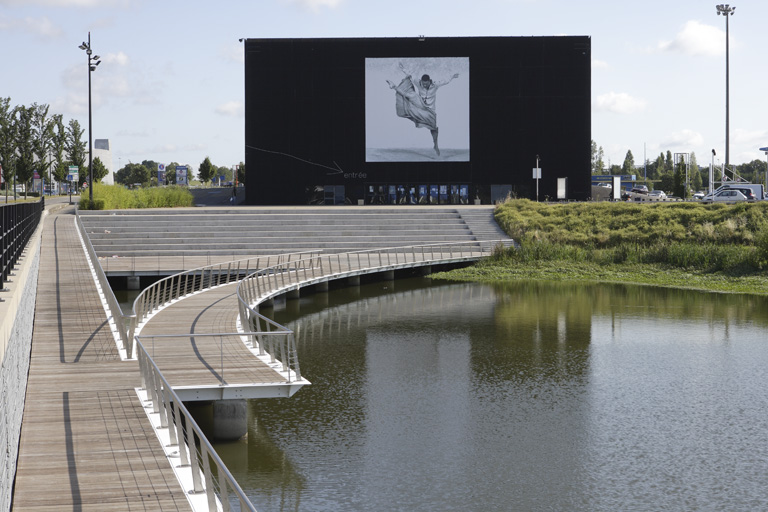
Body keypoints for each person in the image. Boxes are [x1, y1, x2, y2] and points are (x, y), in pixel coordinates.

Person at [386, 62, 459, 156]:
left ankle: (435, 145)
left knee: (433, 128)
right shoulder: (418, 82)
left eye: (426, 84)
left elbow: (446, 81)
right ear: (421, 81)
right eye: (423, 84)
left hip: (430, 110)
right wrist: (403, 68)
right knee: (411, 96)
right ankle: (394, 86)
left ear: (430, 81)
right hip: (420, 104)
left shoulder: (436, 84)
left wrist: (453, 76)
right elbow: (410, 74)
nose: (424, 86)